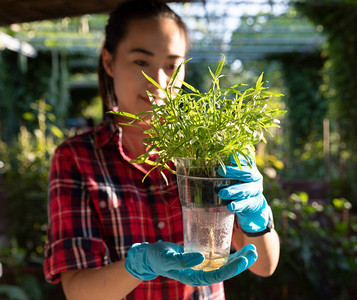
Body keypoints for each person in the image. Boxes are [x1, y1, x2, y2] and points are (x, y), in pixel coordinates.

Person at [43, 1, 280, 299]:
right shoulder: (76, 157)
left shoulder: (208, 149)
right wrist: (136, 267)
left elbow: (266, 265)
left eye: (171, 65)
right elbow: (78, 291)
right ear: (108, 62)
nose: (158, 81)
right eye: (141, 62)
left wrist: (257, 218)